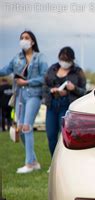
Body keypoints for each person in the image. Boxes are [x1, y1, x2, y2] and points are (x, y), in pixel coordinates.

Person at [0, 30, 48, 173]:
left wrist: (27, 82)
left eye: (26, 38)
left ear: (33, 41)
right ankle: (33, 161)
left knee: (26, 126)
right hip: (20, 95)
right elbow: (5, 70)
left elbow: (44, 77)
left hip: (34, 94)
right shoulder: (17, 58)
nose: (23, 40)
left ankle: (29, 164)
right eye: (22, 38)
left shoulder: (40, 57)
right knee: (20, 129)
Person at [43, 47, 86, 157]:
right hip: (52, 105)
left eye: (67, 60)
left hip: (67, 106)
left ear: (72, 60)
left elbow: (84, 92)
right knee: (51, 135)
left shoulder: (78, 72)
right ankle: (53, 161)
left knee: (65, 136)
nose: (64, 62)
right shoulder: (52, 69)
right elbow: (44, 87)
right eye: (62, 59)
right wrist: (51, 90)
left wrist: (73, 88)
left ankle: (65, 161)